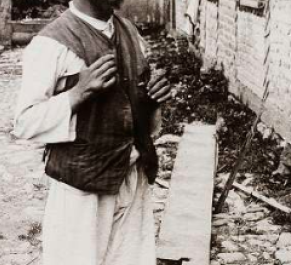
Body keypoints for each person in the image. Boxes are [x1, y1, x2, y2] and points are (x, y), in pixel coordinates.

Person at [12, 1, 172, 264]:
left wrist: (151, 102)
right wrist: (77, 93)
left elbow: (137, 120)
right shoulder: (52, 44)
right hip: (82, 189)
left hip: (131, 179)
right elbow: (25, 122)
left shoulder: (130, 32)